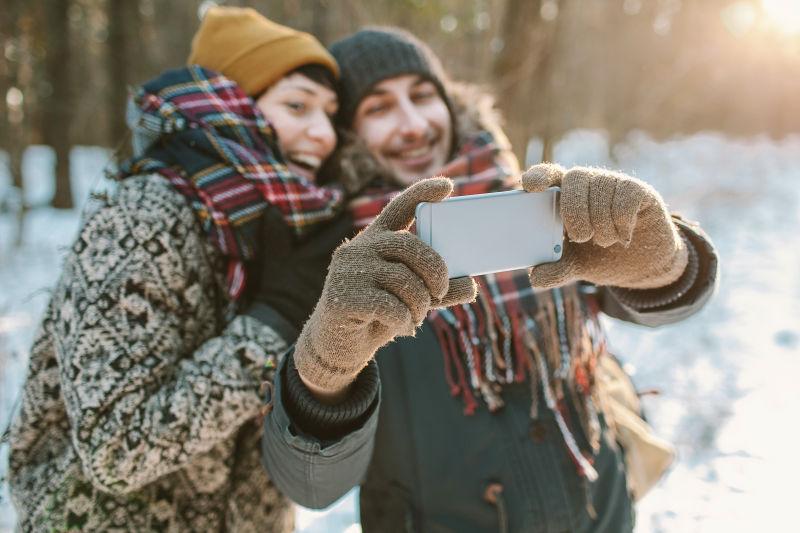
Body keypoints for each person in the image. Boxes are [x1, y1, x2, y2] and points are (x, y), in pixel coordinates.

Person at [259, 28, 719, 532]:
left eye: (422, 95)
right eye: (378, 108)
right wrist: (324, 374)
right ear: (348, 132)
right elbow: (310, 486)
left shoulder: (531, 201)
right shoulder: (333, 264)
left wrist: (665, 263)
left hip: (601, 512)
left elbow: (677, 304)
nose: (413, 125)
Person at [6, 7, 353, 531]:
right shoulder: (145, 214)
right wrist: (274, 321)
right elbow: (115, 448)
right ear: (229, 105)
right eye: (298, 105)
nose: (322, 133)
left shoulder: (285, 230)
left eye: (329, 113)